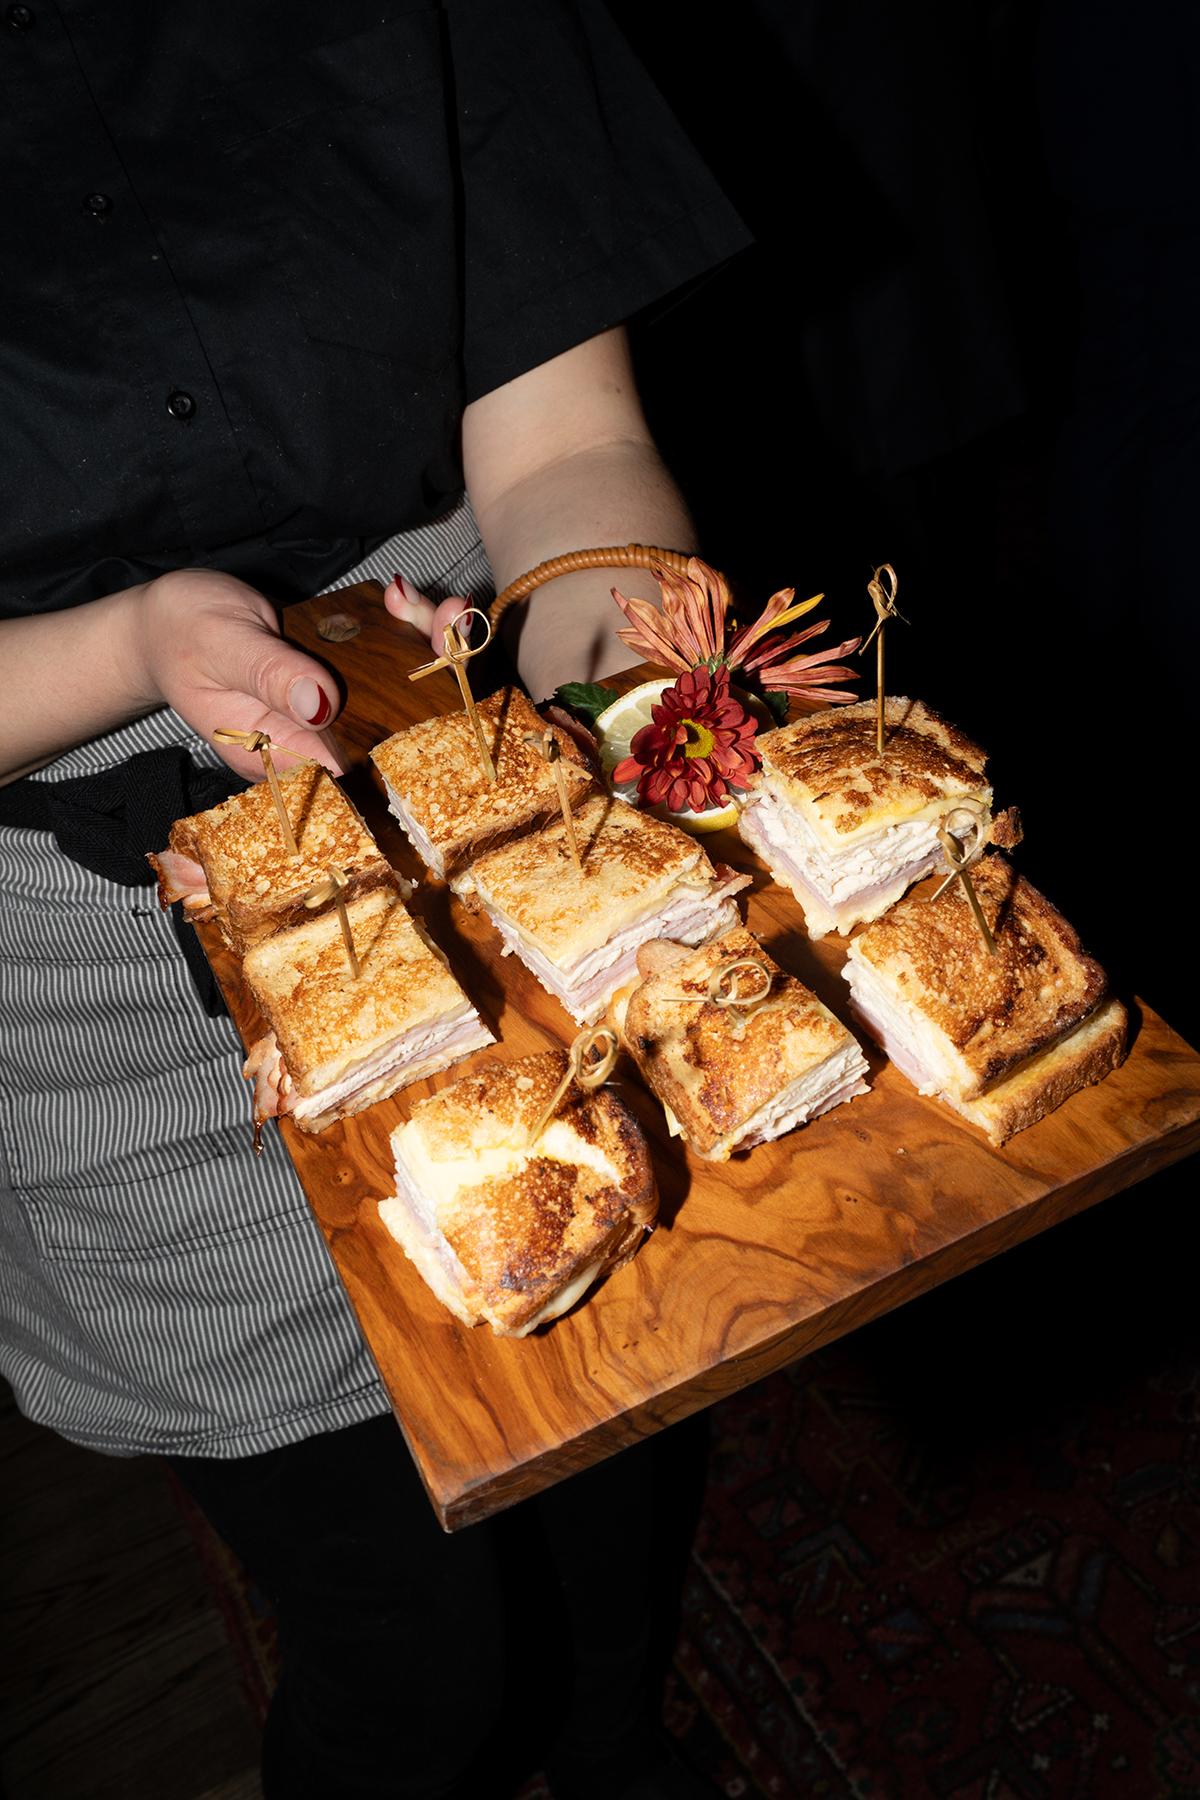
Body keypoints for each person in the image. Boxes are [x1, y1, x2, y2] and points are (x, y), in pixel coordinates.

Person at [0, 3, 748, 1794]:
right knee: (412, 1668)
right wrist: (130, 646)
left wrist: (619, 727)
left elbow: (565, 460)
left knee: (612, 1464)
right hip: (73, 918)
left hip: (478, 729)